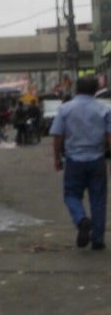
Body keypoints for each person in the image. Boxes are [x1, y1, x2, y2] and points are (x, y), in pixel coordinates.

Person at [50, 76, 111, 250]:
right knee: (98, 199)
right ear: (95, 91)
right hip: (97, 160)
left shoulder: (65, 109)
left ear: (76, 90)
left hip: (74, 160)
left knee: (71, 195)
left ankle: (81, 219)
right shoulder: (104, 110)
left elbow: (57, 136)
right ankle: (98, 240)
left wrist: (56, 158)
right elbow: (110, 136)